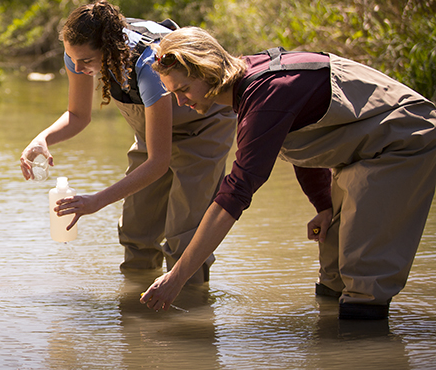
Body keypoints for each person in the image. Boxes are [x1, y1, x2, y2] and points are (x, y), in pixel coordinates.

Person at [141, 26, 436, 320]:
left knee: (364, 279)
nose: (181, 102)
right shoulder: (250, 84)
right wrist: (323, 205)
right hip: (363, 152)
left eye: (183, 90)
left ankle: (366, 353)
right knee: (333, 271)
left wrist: (176, 278)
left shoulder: (265, 96)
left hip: (402, 142)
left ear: (206, 71)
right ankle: (328, 350)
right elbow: (306, 134)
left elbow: (234, 196)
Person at [20, 0, 236, 283]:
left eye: (86, 61)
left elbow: (158, 164)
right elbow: (77, 115)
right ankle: (136, 311)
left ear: (110, 49)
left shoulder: (149, 65)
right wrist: (42, 138)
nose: (77, 66)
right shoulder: (78, 55)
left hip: (202, 127)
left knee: (184, 236)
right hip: (154, 132)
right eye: (72, 58)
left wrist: (96, 201)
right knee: (137, 231)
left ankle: (190, 318)